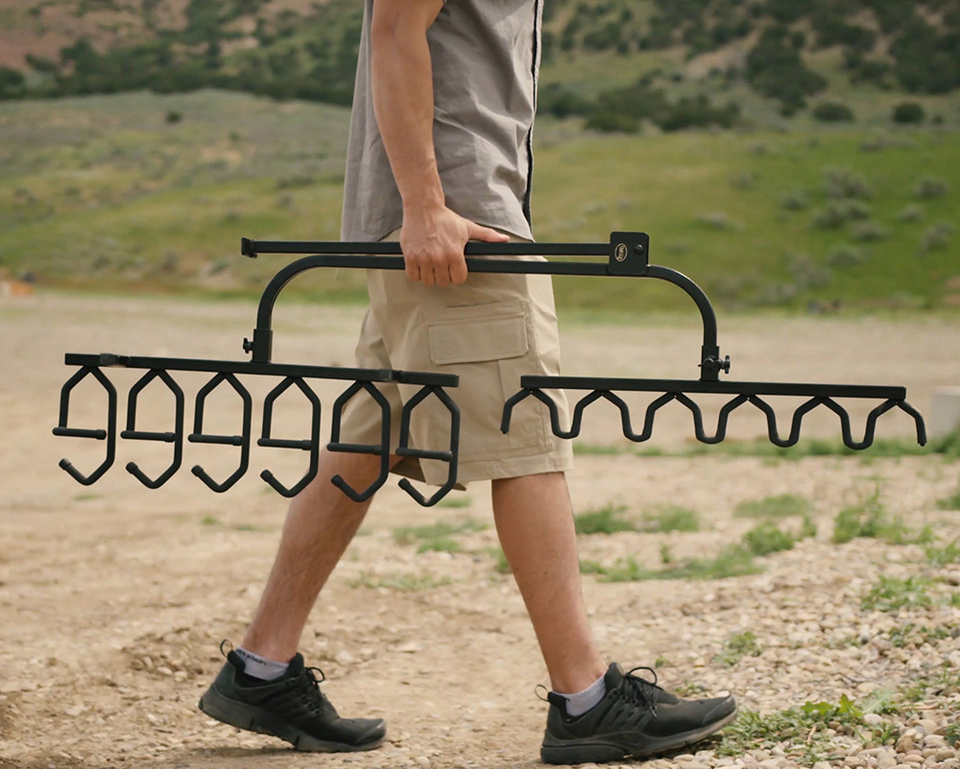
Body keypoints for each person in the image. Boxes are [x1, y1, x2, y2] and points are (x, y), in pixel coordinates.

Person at [197, 1, 738, 763]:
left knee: (370, 439)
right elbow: (395, 28)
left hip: (437, 225)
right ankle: (585, 700)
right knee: (527, 437)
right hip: (458, 231)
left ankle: (262, 664)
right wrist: (427, 207)